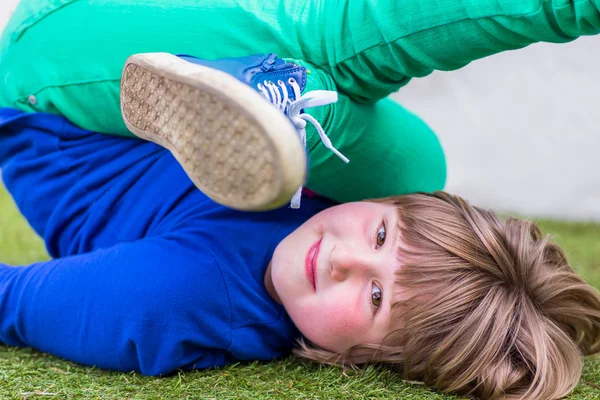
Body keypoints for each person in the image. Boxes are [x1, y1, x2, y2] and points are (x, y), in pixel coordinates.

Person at [0, 0, 599, 399]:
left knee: (326, 51)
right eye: (382, 237)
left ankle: (287, 90)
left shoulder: (172, 297)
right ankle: (288, 95)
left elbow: (10, 301)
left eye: (374, 296)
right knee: (418, 165)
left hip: (47, 87)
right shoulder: (363, 200)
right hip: (159, 35)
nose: (344, 259)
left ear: (368, 360)